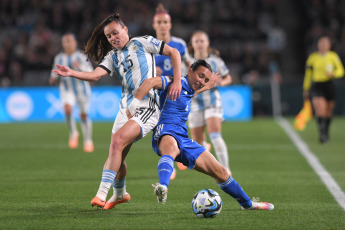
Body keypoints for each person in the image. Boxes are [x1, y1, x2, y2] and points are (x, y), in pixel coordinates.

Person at [52, 13, 182, 210]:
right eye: (108, 36)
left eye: (115, 33)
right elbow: (96, 75)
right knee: (116, 153)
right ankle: (120, 193)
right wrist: (71, 72)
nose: (113, 38)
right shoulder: (113, 56)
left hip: (147, 106)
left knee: (117, 141)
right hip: (125, 109)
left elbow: (174, 53)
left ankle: (100, 195)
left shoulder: (143, 42)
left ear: (125, 30)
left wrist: (178, 80)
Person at [126, 60, 274, 210]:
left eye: (206, 79)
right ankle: (163, 187)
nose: (202, 81)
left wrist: (207, 86)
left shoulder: (189, 89)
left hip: (184, 138)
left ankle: (247, 204)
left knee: (221, 172)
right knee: (171, 149)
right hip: (165, 130)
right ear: (190, 71)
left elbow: (190, 93)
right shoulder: (173, 81)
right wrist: (135, 103)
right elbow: (150, 82)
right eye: (200, 76)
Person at [152, 3, 191, 177]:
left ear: (170, 24)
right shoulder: (149, 47)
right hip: (158, 95)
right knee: (160, 129)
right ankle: (169, 163)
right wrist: (153, 72)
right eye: (158, 22)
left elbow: (190, 64)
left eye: (164, 22)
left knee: (179, 124)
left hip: (178, 92)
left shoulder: (180, 44)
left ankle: (180, 155)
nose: (162, 25)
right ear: (154, 25)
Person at [188, 31, 232, 174]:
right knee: (197, 143)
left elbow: (228, 78)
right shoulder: (187, 61)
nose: (199, 44)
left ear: (207, 43)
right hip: (194, 102)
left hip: (213, 100)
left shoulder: (216, 61)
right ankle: (211, 164)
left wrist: (221, 82)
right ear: (192, 44)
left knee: (215, 135)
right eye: (196, 41)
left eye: (202, 41)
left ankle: (225, 169)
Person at [50, 33, 94, 153]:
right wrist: (53, 77)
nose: (68, 44)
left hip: (82, 89)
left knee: (83, 115)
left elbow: (91, 71)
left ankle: (87, 140)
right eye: (65, 42)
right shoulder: (59, 57)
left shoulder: (81, 56)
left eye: (70, 41)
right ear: (63, 44)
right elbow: (55, 70)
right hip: (66, 88)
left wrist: (78, 67)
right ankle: (74, 133)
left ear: (74, 43)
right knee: (68, 110)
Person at [303, 35, 344, 143]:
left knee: (328, 111)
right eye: (321, 43)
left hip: (329, 85)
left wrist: (333, 74)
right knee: (320, 108)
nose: (323, 45)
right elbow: (308, 75)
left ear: (329, 45)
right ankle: (322, 133)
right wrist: (306, 88)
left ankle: (326, 131)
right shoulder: (312, 58)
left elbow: (341, 71)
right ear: (318, 45)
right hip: (317, 85)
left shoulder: (333, 56)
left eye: (325, 43)